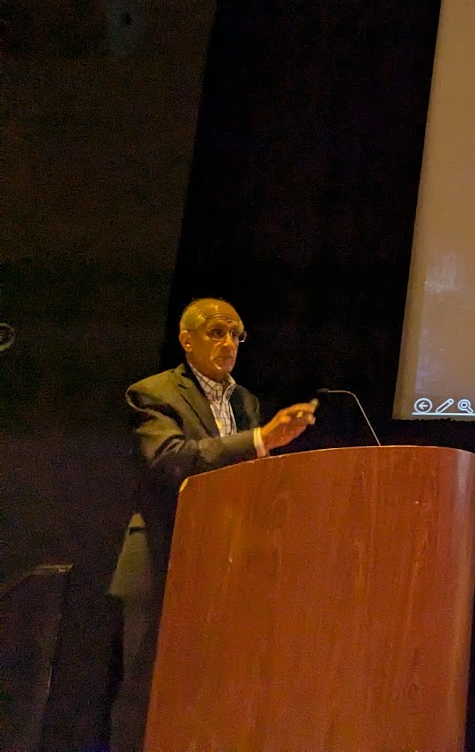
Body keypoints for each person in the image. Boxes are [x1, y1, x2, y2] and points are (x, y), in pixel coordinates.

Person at [107, 297, 318, 752]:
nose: (228, 344)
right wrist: (261, 439)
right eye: (216, 333)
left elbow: (250, 474)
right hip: (164, 557)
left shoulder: (246, 401)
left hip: (225, 559)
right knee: (149, 688)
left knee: (211, 685)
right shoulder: (152, 393)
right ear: (187, 340)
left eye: (236, 335)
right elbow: (171, 460)